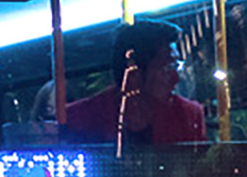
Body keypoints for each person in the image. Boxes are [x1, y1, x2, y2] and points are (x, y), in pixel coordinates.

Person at [62, 23, 207, 146]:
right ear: (133, 71)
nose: (176, 78)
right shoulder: (81, 118)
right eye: (167, 68)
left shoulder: (187, 116)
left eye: (176, 66)